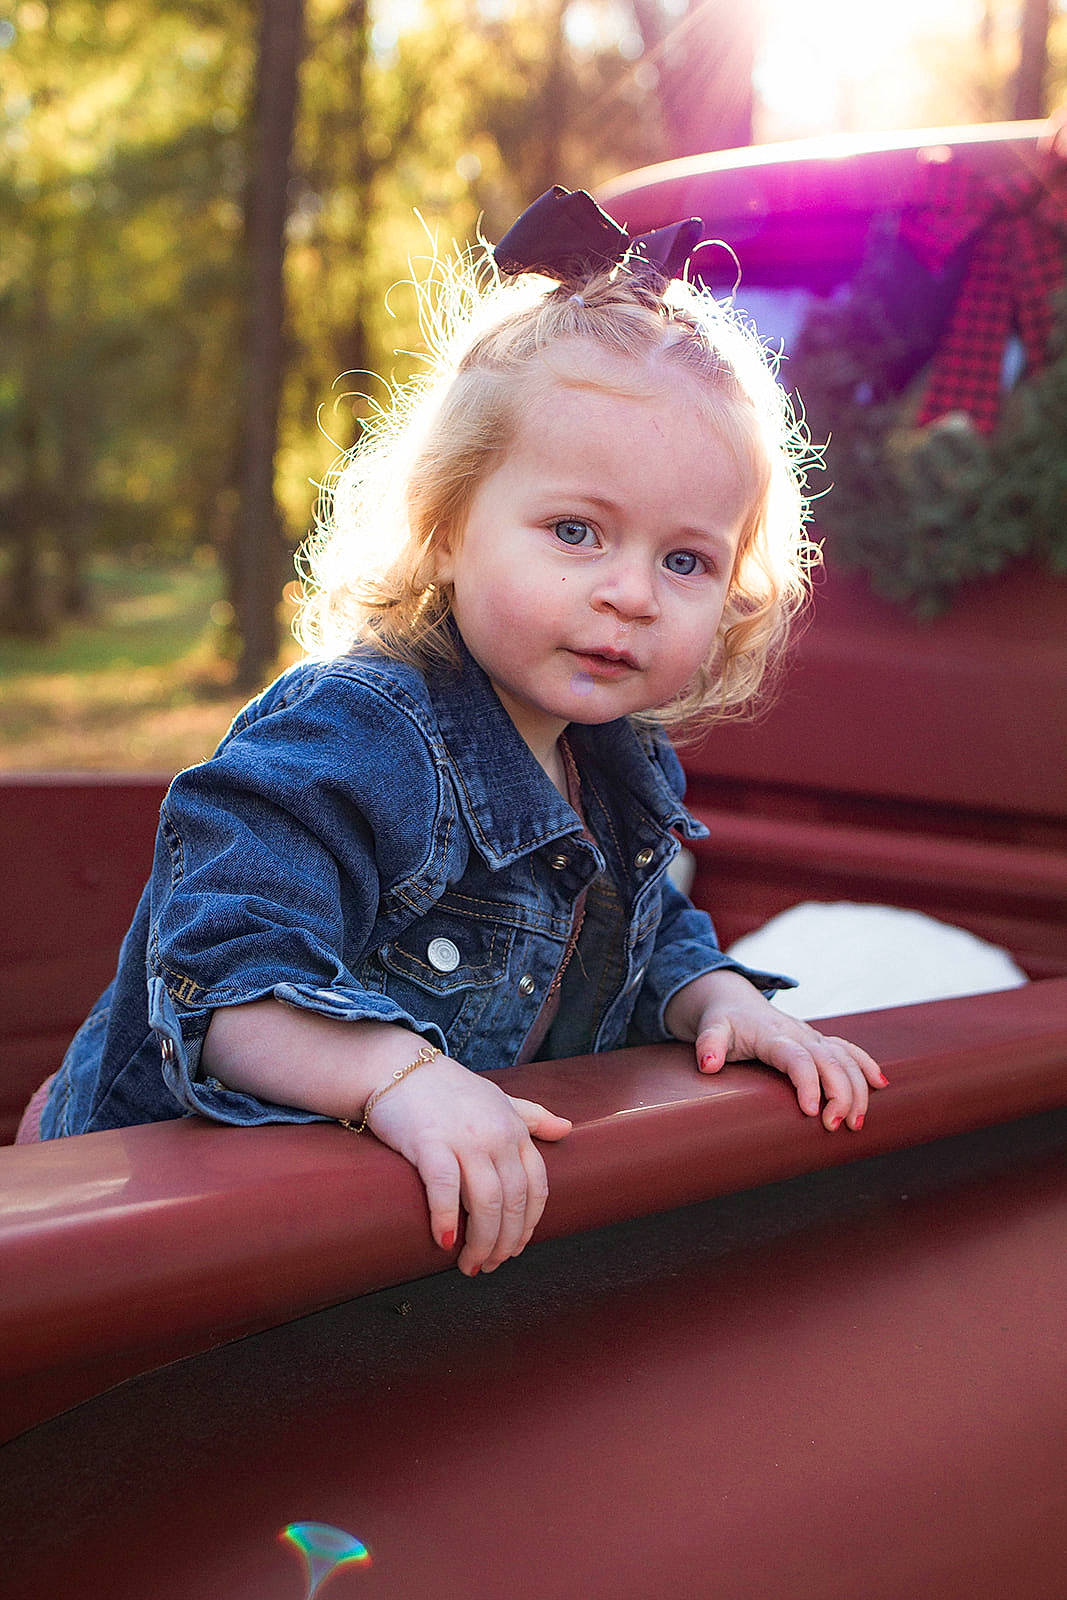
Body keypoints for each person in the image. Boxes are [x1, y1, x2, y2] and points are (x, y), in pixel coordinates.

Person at [36, 187, 887, 1276]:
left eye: (685, 559)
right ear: (444, 528)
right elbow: (225, 979)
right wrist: (397, 1076)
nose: (630, 593)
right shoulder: (358, 731)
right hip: (140, 1229)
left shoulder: (615, 759)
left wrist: (714, 997)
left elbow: (631, 928)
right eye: (575, 531)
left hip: (369, 1253)